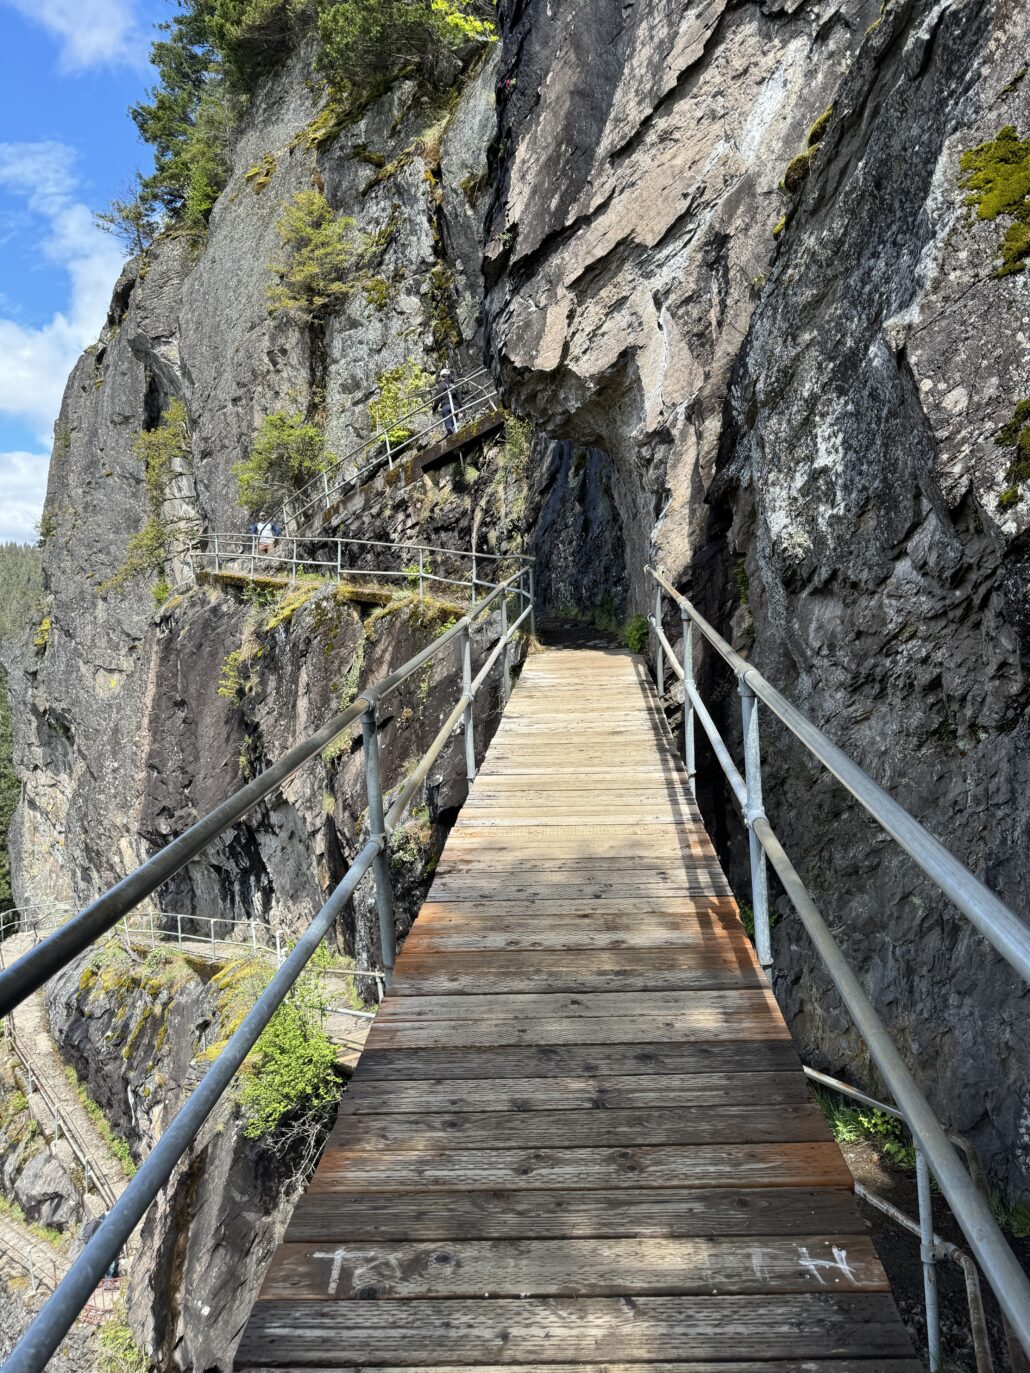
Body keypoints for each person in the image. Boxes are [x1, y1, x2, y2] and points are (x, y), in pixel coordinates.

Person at [433, 368, 462, 436]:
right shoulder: (453, 385)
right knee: (456, 422)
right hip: (456, 407)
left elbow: (438, 399)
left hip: (446, 407)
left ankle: (455, 435)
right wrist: (460, 408)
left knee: (449, 426)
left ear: (441, 376)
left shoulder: (442, 385)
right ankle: (457, 432)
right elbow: (459, 396)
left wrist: (434, 409)